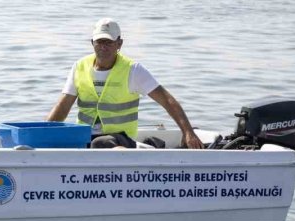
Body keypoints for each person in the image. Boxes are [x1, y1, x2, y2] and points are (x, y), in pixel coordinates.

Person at [46, 18, 204, 149]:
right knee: (67, 142)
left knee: (101, 143)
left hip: (121, 139)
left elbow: (167, 100)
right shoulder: (79, 67)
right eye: (99, 42)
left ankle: (128, 160)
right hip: (85, 138)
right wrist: (42, 134)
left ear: (119, 44)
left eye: (109, 42)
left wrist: (188, 132)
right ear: (92, 43)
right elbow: (62, 108)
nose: (103, 47)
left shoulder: (133, 70)